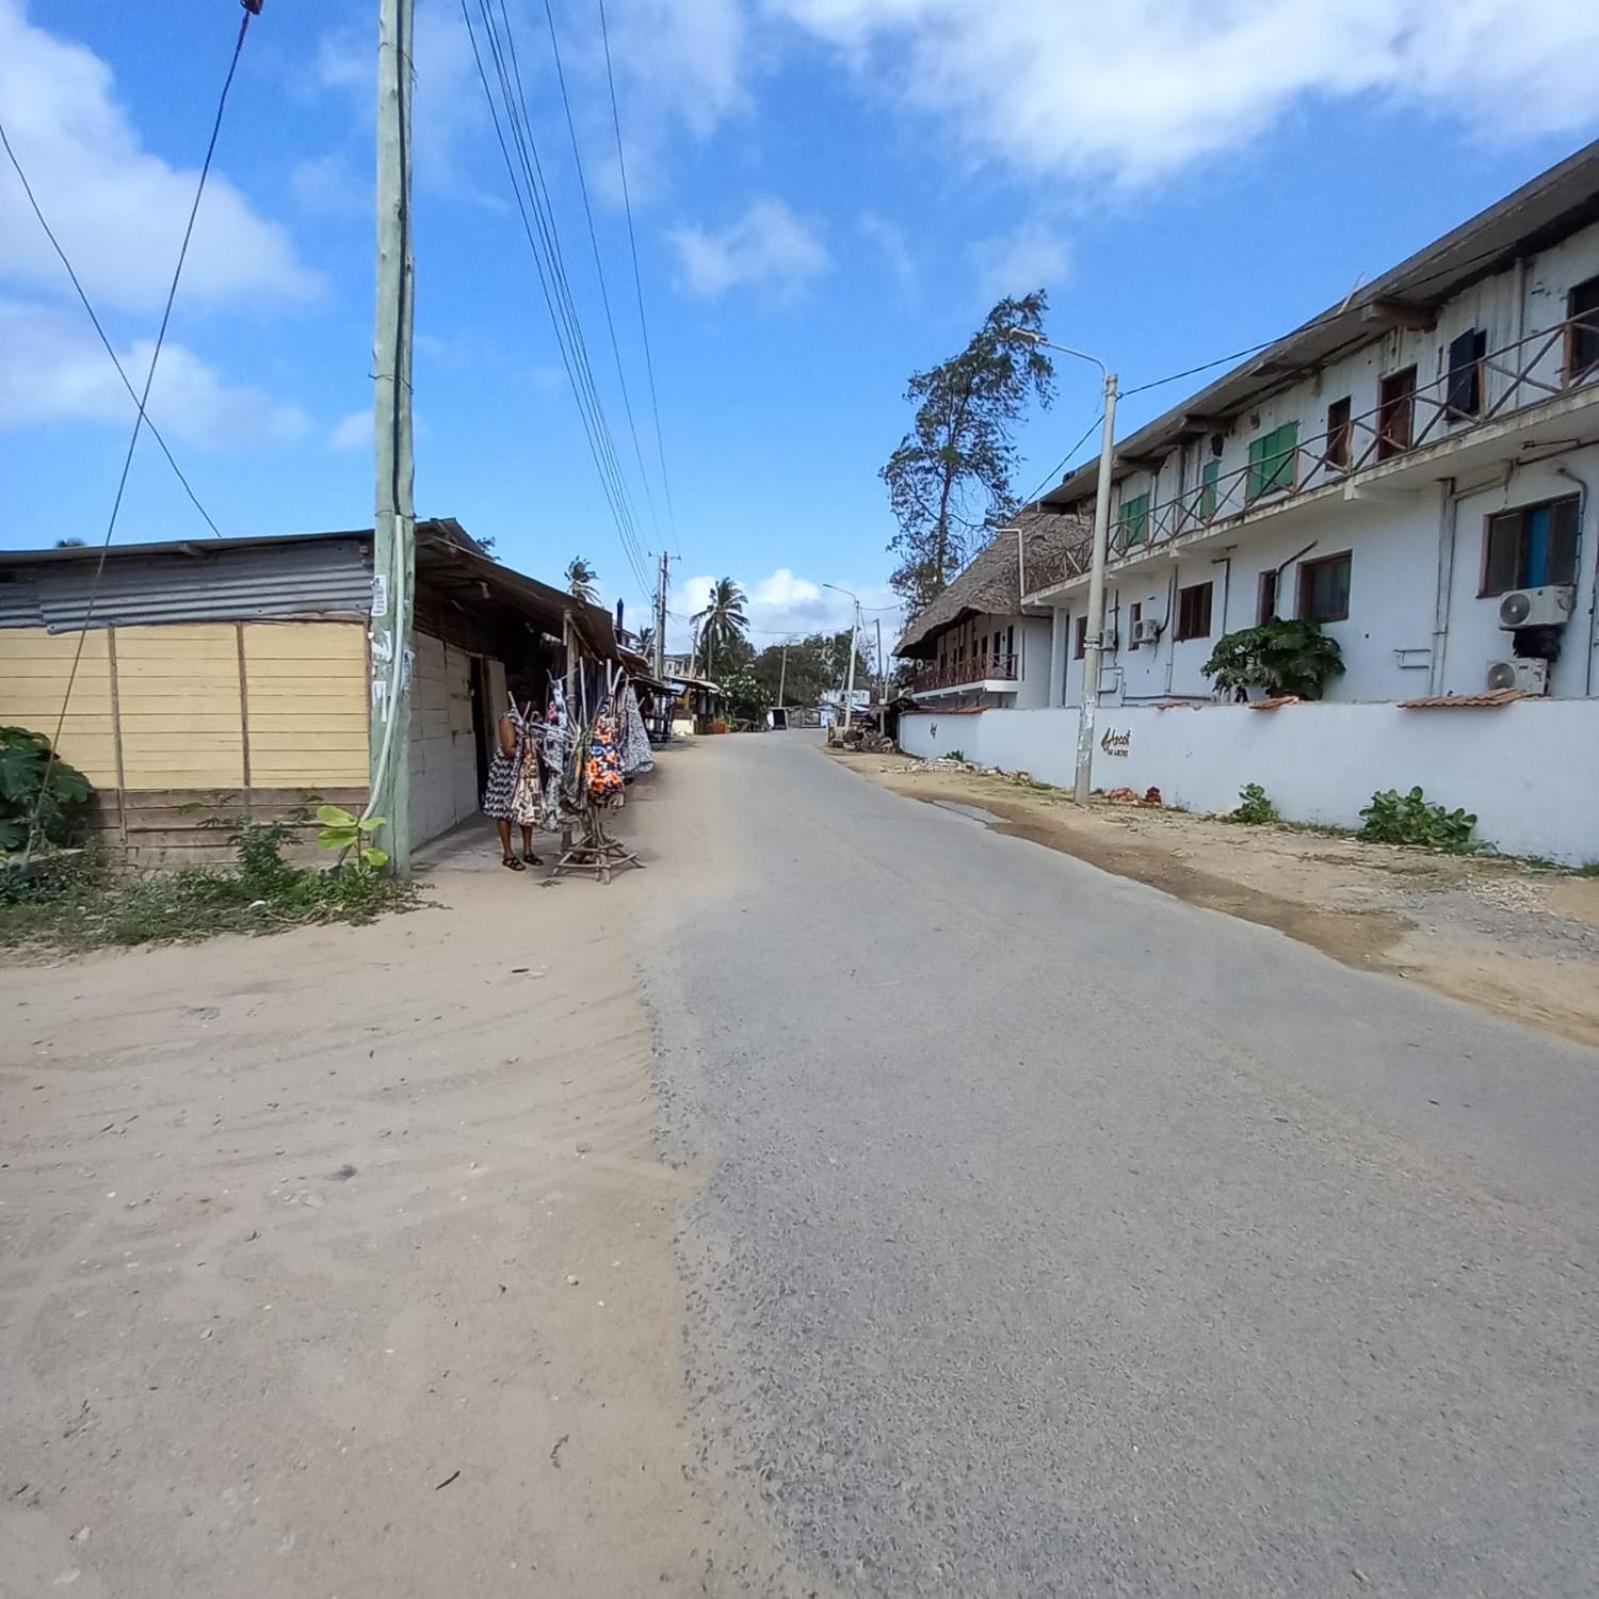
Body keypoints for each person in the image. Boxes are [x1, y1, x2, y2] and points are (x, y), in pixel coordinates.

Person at [483, 684, 543, 870]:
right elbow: (509, 749)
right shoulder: (508, 719)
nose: (533, 705)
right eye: (530, 702)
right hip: (506, 771)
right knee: (504, 811)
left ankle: (528, 851)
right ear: (522, 703)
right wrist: (529, 748)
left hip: (526, 771)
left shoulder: (533, 719)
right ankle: (508, 854)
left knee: (526, 810)